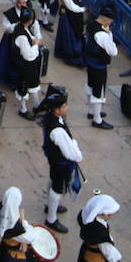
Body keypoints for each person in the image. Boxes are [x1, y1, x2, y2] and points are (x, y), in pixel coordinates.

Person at [37, 87, 82, 233]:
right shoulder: (58, 130)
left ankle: (51, 206)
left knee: (53, 180)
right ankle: (51, 219)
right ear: (57, 110)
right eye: (64, 106)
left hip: (54, 159)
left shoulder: (50, 118)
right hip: (60, 162)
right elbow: (69, 152)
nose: (67, 107)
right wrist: (77, 154)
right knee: (57, 187)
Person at [0, 186, 40, 262]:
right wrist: (26, 225)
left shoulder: (1, 208)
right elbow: (30, 236)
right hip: (16, 259)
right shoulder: (14, 226)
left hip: (6, 250)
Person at [84, 9, 120, 129]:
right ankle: (97, 119)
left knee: (91, 85)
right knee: (98, 91)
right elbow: (113, 51)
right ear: (106, 20)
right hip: (99, 64)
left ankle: (91, 111)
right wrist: (109, 34)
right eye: (110, 22)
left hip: (90, 61)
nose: (110, 24)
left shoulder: (90, 24)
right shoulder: (102, 34)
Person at [76, 194, 123, 262]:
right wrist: (116, 259)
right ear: (105, 214)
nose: (114, 215)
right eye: (112, 213)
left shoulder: (87, 217)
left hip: (87, 254)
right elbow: (108, 251)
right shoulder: (99, 232)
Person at [12, 8, 45, 119]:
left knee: (33, 83)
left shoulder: (23, 28)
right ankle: (23, 109)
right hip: (25, 65)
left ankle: (37, 105)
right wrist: (36, 44)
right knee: (24, 86)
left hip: (29, 65)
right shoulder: (21, 35)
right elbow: (28, 56)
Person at [0, 0, 31, 90]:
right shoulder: (10, 13)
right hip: (10, 40)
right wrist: (17, 25)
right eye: (19, 3)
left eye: (23, 3)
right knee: (10, 60)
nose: (21, 5)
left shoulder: (27, 12)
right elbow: (6, 28)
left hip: (23, 38)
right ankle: (11, 81)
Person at [54, 0, 87, 65]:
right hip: (68, 17)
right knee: (70, 35)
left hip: (75, 16)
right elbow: (71, 7)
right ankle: (71, 54)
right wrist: (83, 9)